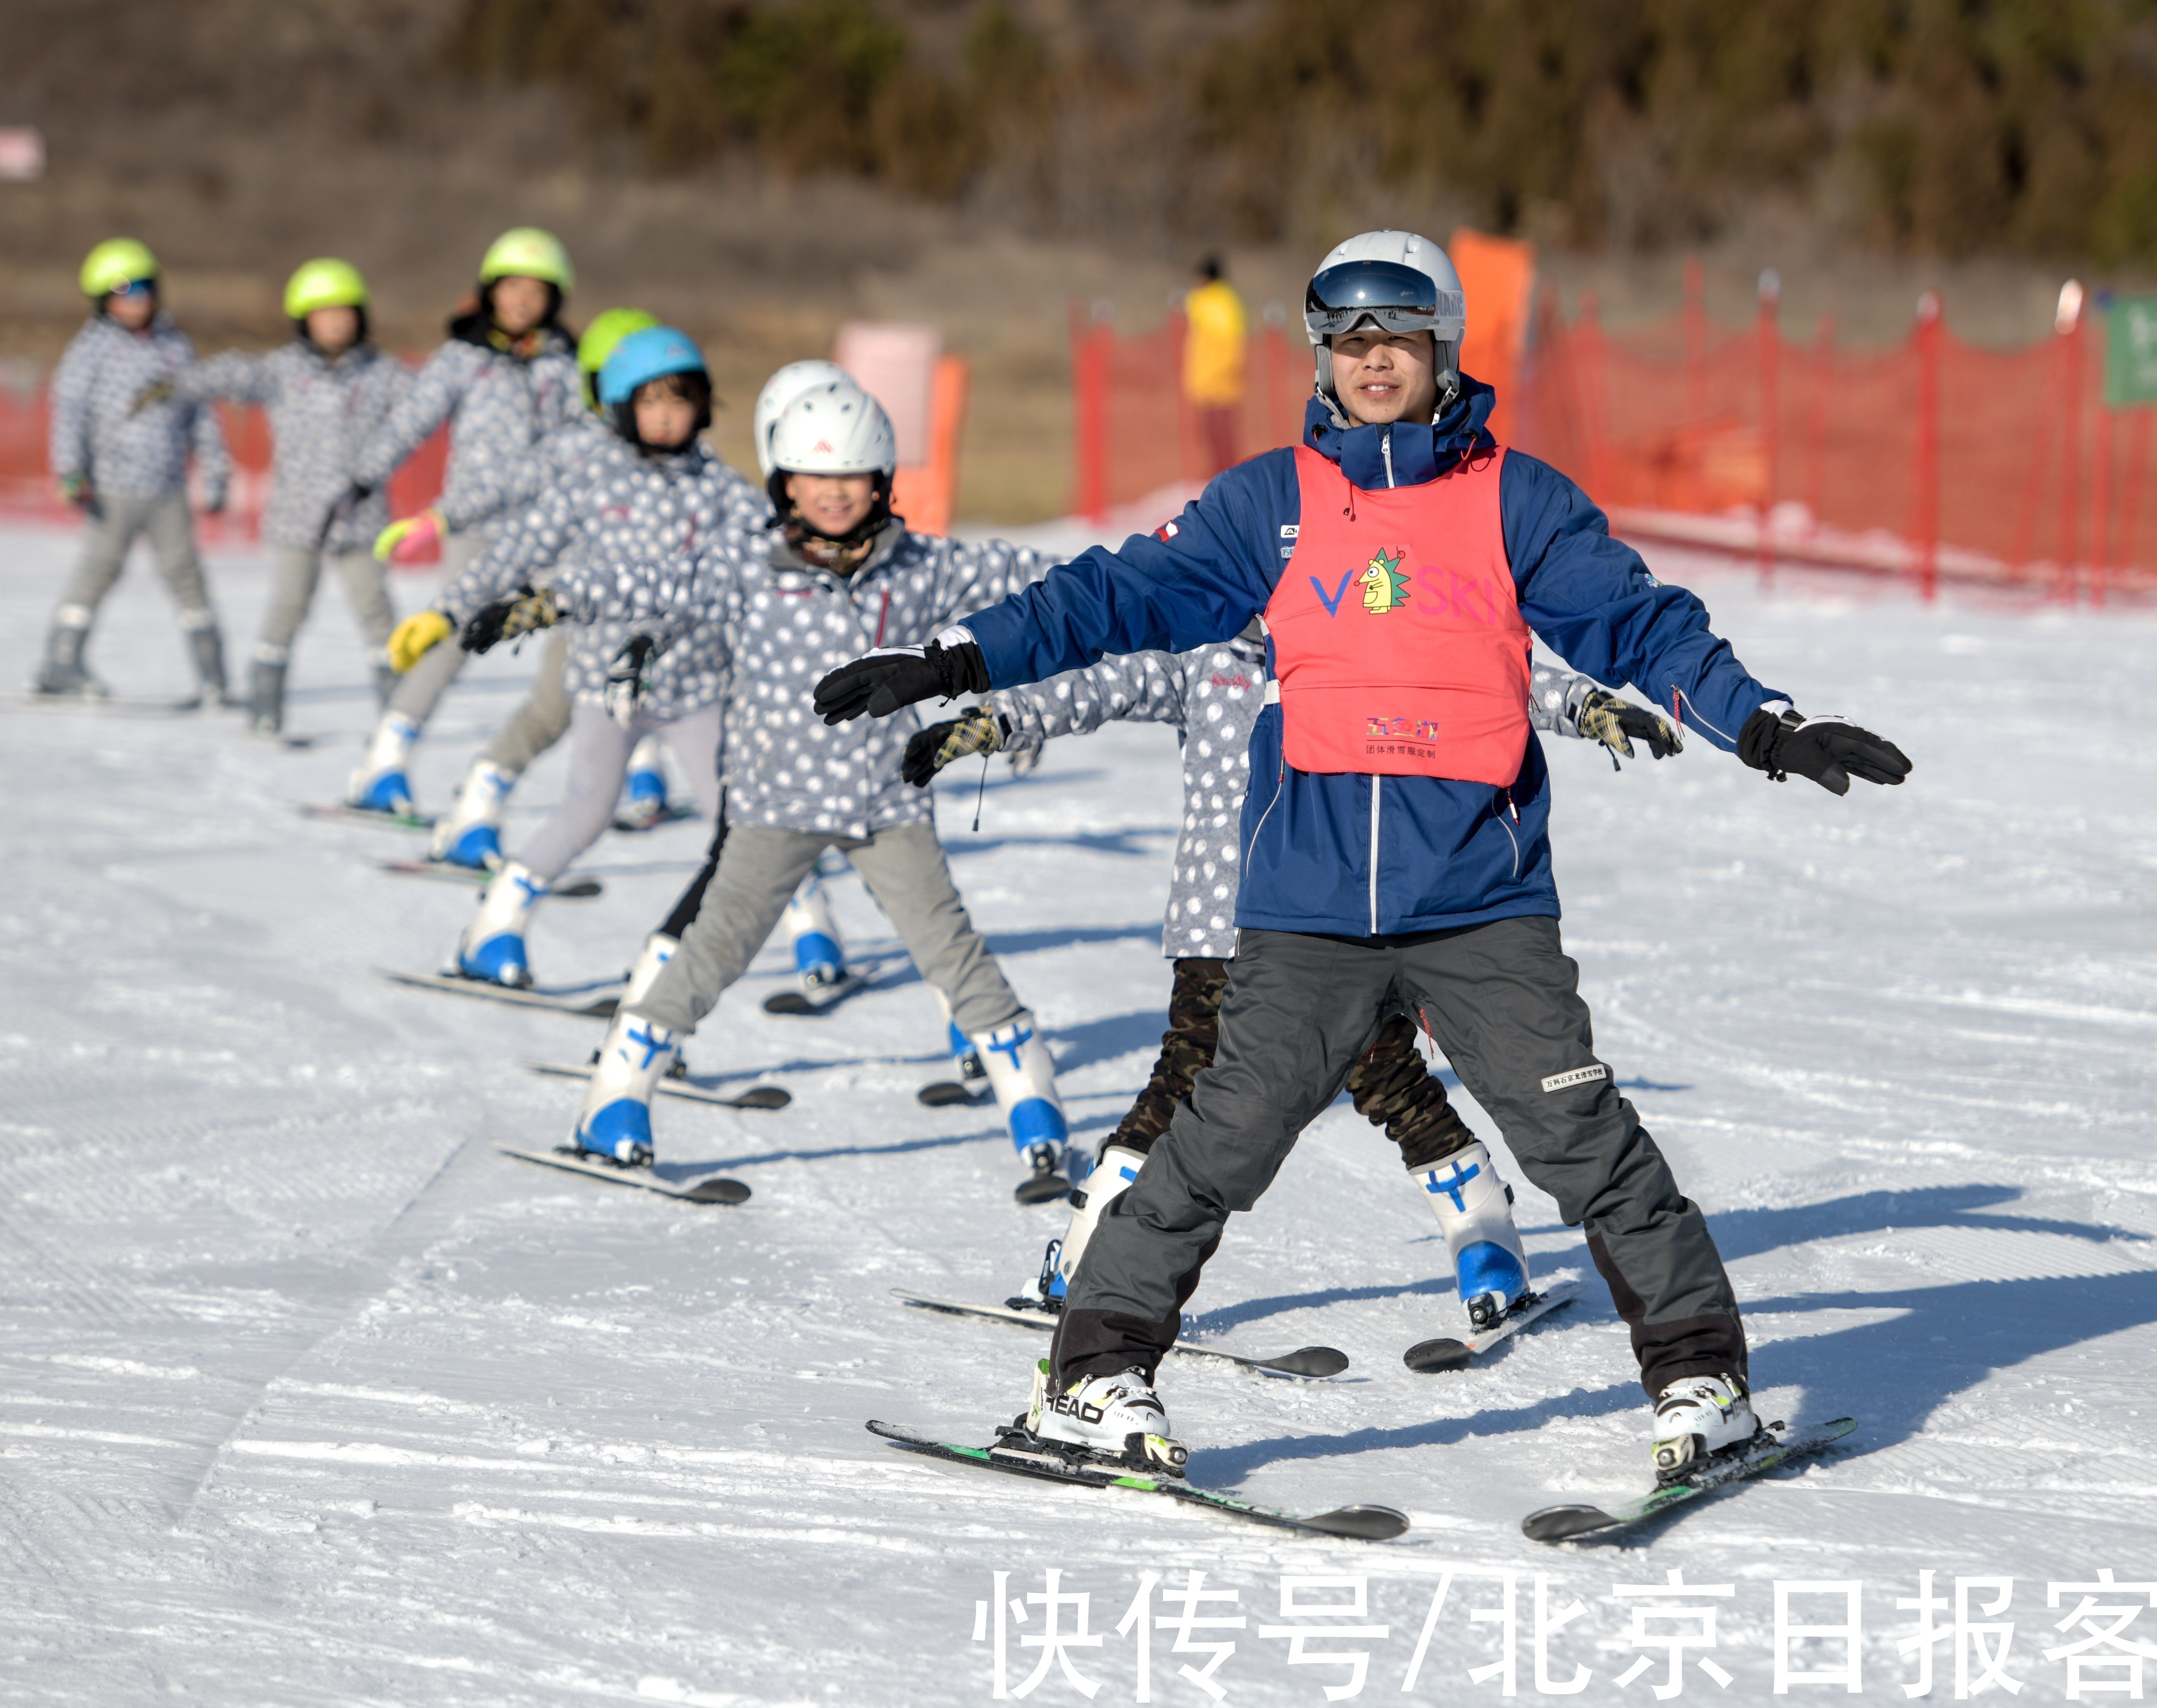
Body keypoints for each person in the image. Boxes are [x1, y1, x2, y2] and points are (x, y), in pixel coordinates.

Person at [816, 230, 1913, 1482]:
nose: (1370, 360)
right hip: (1307, 904)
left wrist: (1763, 727)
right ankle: (1091, 1379)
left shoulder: (1517, 501)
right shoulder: (1267, 503)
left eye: (1395, 337)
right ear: (1320, 354)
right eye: (1346, 339)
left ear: (1439, 348)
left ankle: (1700, 1382)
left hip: (1480, 899)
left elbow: (1635, 627)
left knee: (1576, 1140)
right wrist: (961, 657)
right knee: (1219, 1140)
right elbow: (1110, 596)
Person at [901, 636, 1686, 1337]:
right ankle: (1089, 1258)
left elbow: (1487, 672)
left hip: (1333, 925)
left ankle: (1483, 1243)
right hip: (1222, 927)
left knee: (1383, 1077)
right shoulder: (1199, 658)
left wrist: (1585, 703)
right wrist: (997, 719)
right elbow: (1094, 683)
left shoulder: (1365, 653)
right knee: (1189, 1081)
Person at [459, 374, 1075, 1185]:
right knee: (714, 951)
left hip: (887, 802)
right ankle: (615, 1096)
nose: (832, 496)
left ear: (881, 482)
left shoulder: (924, 567)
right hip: (773, 808)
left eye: (850, 479)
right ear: (784, 483)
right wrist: (550, 601)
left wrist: (1162, 591)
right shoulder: (746, 566)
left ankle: (1031, 1099)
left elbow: (1044, 582)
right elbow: (647, 581)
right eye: (812, 479)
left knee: (950, 950)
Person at [428, 325, 751, 984]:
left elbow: (777, 550)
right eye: (651, 401)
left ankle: (812, 936)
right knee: (587, 810)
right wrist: (453, 608)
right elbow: (519, 546)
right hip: (608, 682)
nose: (666, 415)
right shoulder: (591, 479)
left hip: (696, 685)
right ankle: (493, 928)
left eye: (680, 400)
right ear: (622, 408)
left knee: (743, 820)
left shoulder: (724, 489)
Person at [343, 227, 588, 816]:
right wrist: (365, 474)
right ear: (490, 293)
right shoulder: (462, 359)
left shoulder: (568, 366)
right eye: (512, 288)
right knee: (452, 640)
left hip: (551, 528)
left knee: (590, 635)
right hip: (476, 525)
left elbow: (590, 437)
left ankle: (637, 768)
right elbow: (412, 418)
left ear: (555, 299)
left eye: (537, 290)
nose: (523, 300)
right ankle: (385, 763)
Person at [422, 305, 660, 868]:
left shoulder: (690, 463)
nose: (647, 409)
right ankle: (474, 813)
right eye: (628, 390)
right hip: (588, 619)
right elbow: (507, 490)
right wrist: (443, 518)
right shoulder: (575, 446)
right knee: (549, 715)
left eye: (660, 393)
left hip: (664, 626)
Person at [147, 258, 410, 734]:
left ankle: (397, 713)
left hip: (361, 517)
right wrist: (174, 384)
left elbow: (431, 399)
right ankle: (265, 704)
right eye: (323, 314)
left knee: (377, 610)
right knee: (288, 607)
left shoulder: (383, 374)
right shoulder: (284, 370)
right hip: (298, 517)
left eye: (344, 313)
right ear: (304, 320)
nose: (335, 323)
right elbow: (232, 374)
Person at [32, 238, 233, 703]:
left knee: (186, 576)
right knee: (98, 572)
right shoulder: (89, 350)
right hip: (112, 490)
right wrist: (70, 471)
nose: (137, 300)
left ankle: (213, 677)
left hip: (167, 489)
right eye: (124, 291)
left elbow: (200, 414)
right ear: (104, 300)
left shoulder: (174, 347)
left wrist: (216, 471)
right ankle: (62, 662)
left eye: (144, 288)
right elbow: (70, 412)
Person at [1182, 255, 1247, 480]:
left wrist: (1220, 372)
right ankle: (1221, 473)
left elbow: (1226, 341)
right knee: (1217, 434)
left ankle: (1223, 475)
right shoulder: (1226, 300)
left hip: (1217, 377)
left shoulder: (1213, 302)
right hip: (1218, 376)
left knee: (1220, 433)